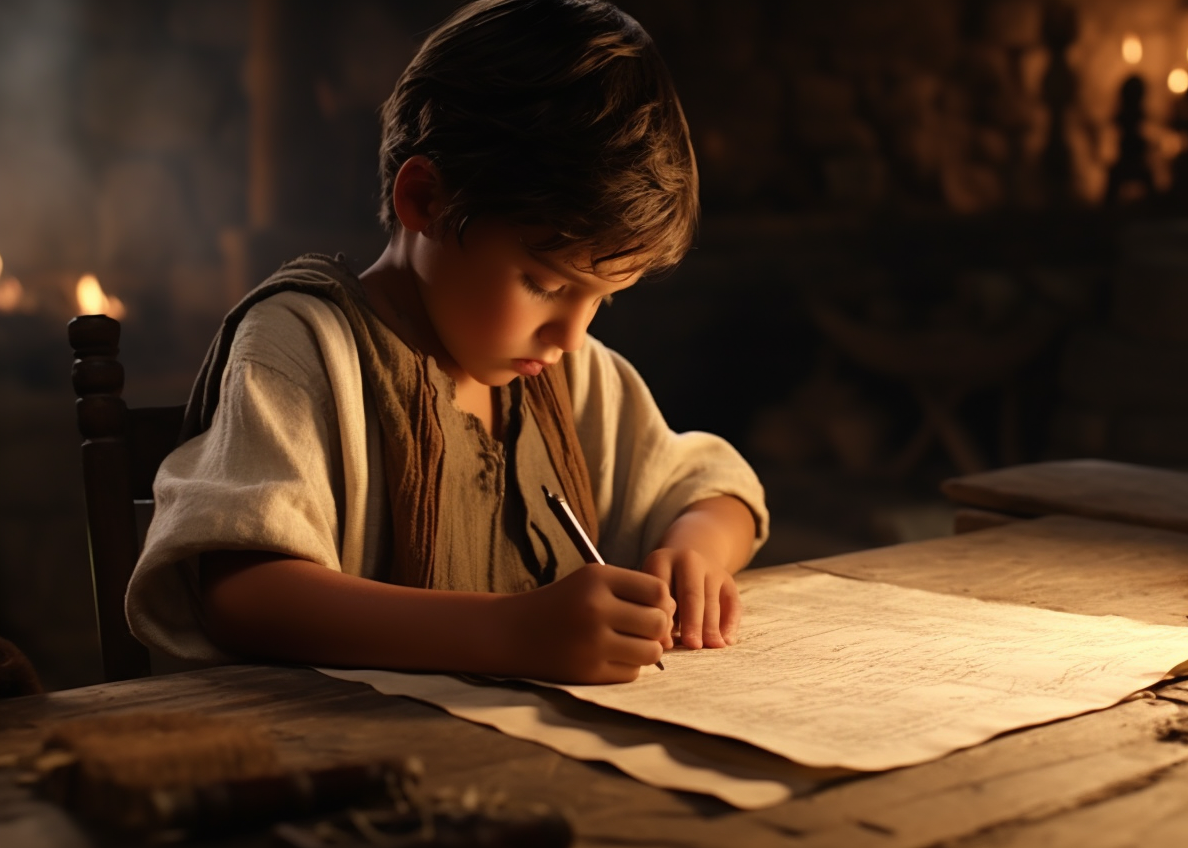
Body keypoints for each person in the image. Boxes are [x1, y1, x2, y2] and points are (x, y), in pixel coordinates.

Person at [126, 0, 767, 685]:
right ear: (425, 199)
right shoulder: (305, 347)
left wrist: (693, 549)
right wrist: (512, 631)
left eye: (601, 299)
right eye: (545, 284)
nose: (572, 334)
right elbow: (242, 596)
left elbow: (718, 492)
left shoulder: (566, 378)